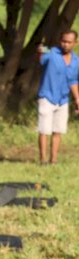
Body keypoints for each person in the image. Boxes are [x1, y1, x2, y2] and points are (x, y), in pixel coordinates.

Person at [37, 29, 79, 164]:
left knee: (58, 130)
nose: (65, 44)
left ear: (75, 43)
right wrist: (41, 49)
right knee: (44, 129)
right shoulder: (52, 51)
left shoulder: (76, 60)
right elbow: (40, 51)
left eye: (69, 42)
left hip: (63, 99)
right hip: (47, 96)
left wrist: (77, 98)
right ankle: (43, 160)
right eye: (63, 41)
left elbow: (73, 80)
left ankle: (53, 160)